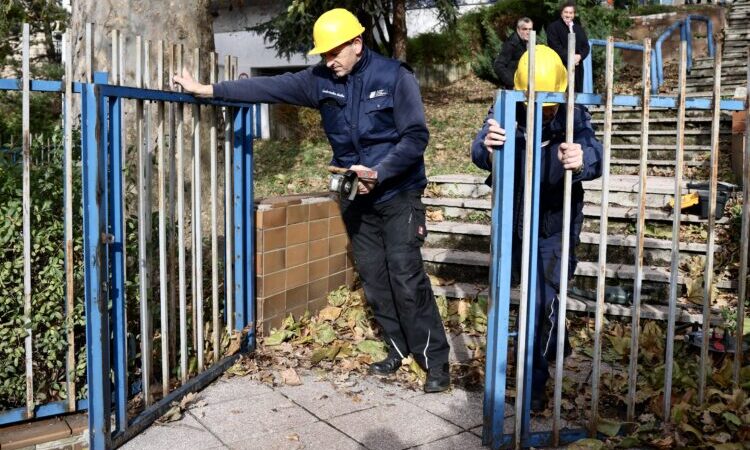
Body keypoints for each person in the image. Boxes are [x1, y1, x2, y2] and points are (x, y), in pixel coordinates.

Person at [173, 8, 451, 393]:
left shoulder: (394, 77)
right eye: (323, 54)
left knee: (405, 275)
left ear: (357, 43)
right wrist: (209, 90)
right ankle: (397, 350)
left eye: (334, 52)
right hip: (355, 195)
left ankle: (435, 362)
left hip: (397, 193)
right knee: (373, 275)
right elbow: (267, 88)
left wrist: (380, 172)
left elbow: (416, 137)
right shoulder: (321, 80)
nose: (328, 60)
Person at [470, 45, 603, 411]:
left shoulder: (574, 113)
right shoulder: (505, 108)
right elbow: (479, 151)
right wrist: (487, 145)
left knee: (540, 300)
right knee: (529, 299)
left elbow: (594, 151)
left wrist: (582, 159)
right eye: (534, 104)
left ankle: (533, 386)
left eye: (548, 105)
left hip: (555, 224)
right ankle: (554, 332)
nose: (541, 113)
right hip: (513, 220)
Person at [546, 1, 590, 93]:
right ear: (561, 13)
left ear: (574, 14)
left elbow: (586, 46)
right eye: (566, 12)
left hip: (577, 69)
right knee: (562, 96)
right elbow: (555, 46)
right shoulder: (553, 27)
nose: (568, 15)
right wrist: (570, 58)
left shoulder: (579, 29)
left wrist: (579, 56)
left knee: (576, 97)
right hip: (561, 67)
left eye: (570, 13)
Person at [493, 17, 534, 89]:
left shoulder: (533, 42)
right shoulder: (511, 44)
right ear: (518, 29)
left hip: (528, 86)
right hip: (514, 88)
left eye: (530, 29)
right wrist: (512, 83)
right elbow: (498, 65)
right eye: (524, 29)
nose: (528, 32)